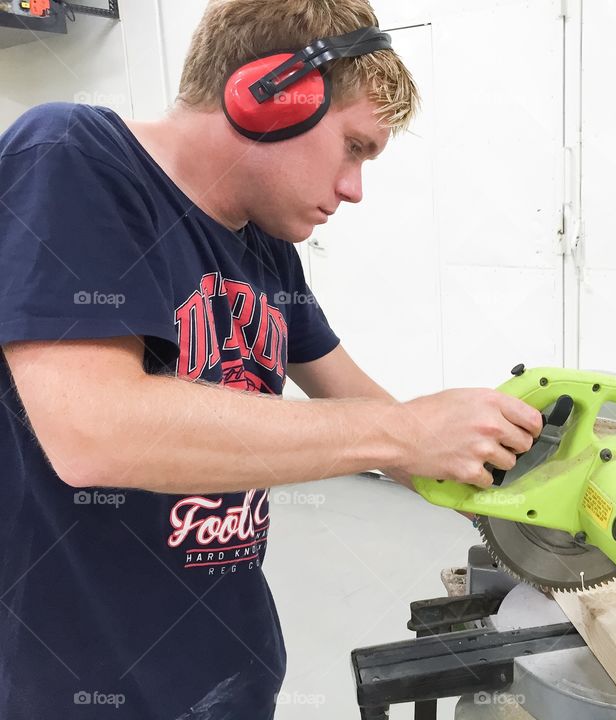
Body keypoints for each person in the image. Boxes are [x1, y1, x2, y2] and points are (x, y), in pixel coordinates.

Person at [0, 0, 541, 717]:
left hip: (228, 666)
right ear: (270, 97)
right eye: (353, 146)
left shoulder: (265, 248)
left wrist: (530, 481)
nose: (354, 189)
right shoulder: (72, 153)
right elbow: (93, 431)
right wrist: (408, 433)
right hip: (74, 683)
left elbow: (362, 404)